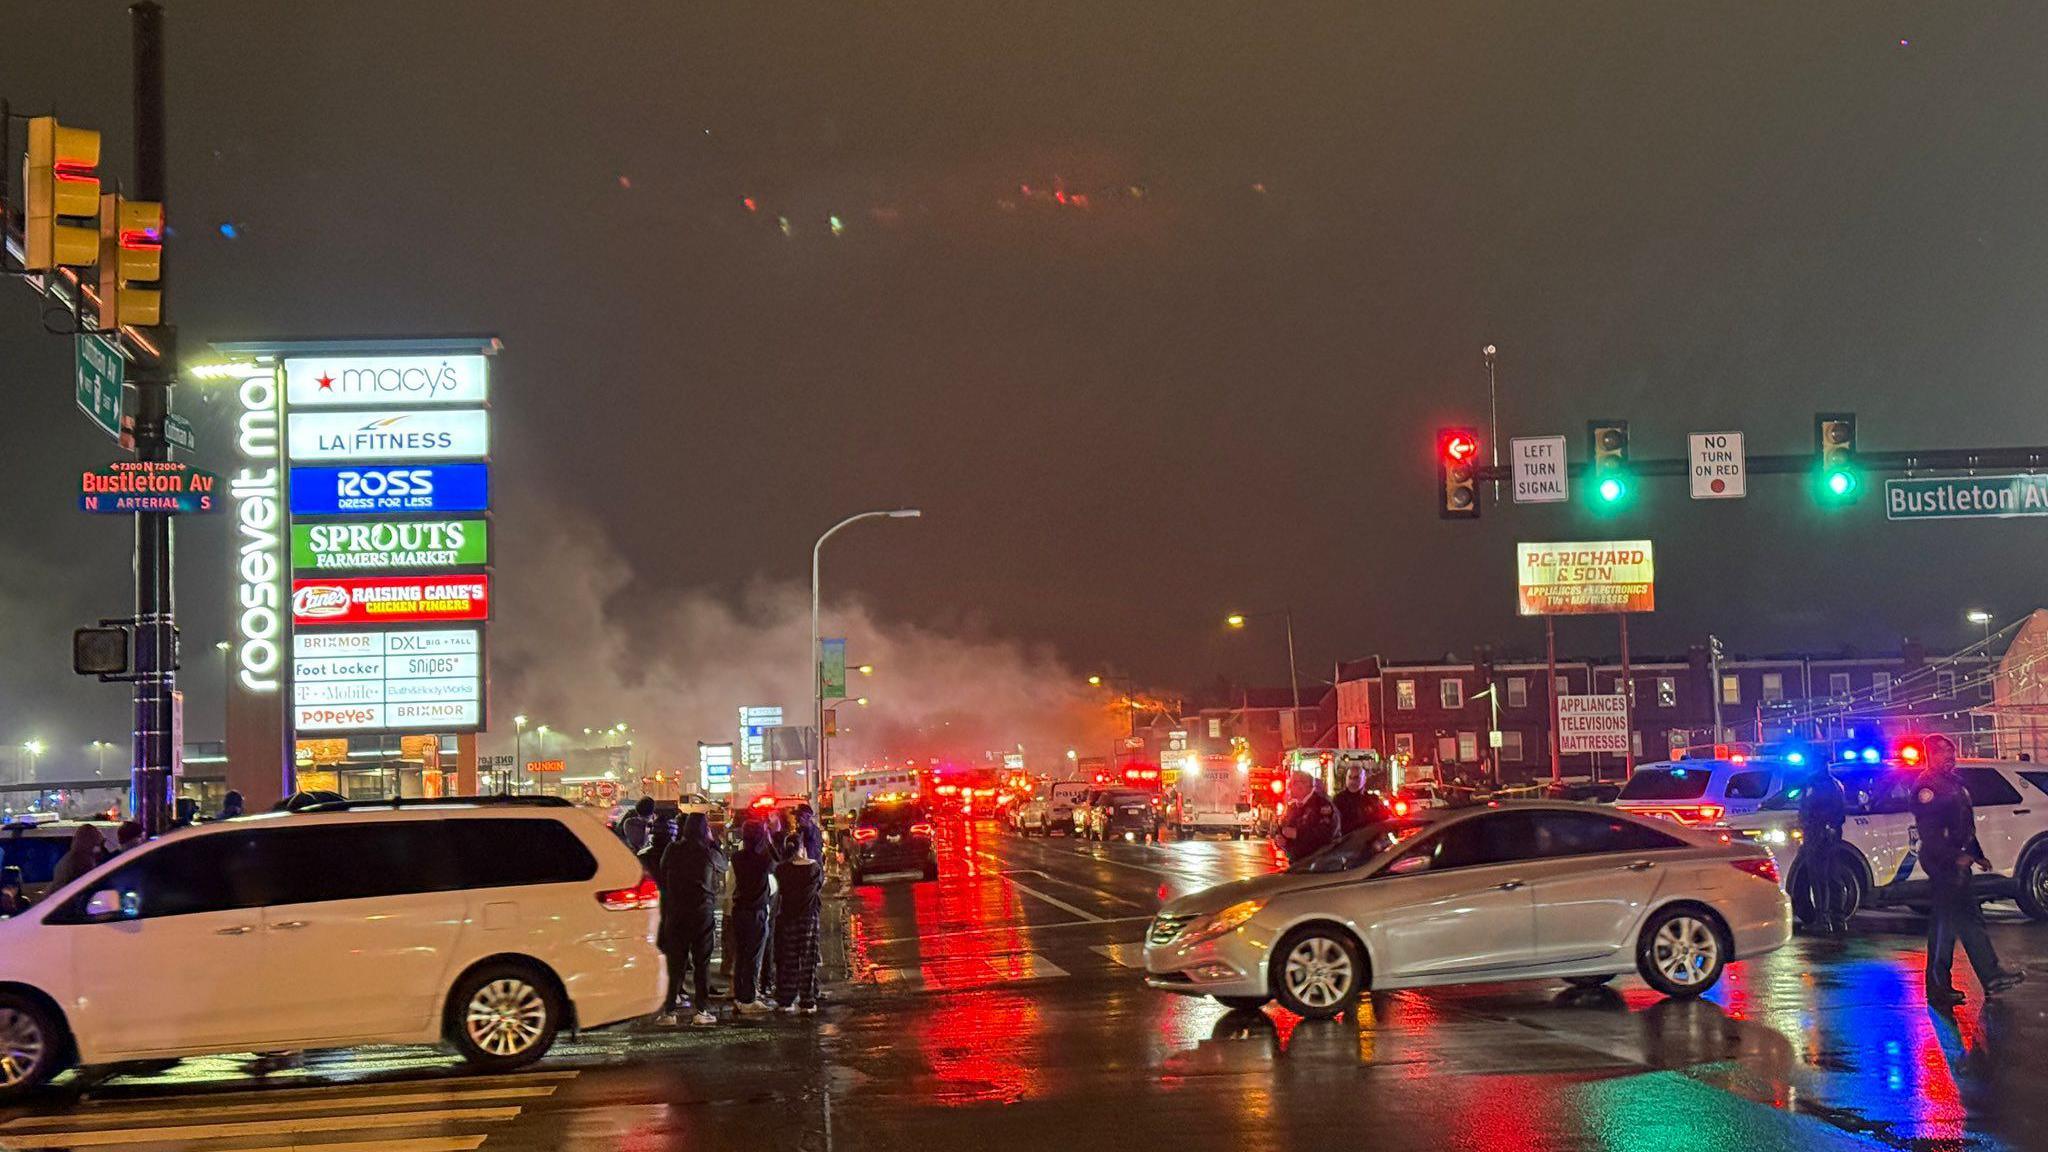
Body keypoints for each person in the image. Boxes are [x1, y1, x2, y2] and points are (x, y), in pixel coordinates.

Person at [1912, 734, 2025, 1006]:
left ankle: (1988, 976)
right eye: (1943, 753)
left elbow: (1965, 825)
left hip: (1959, 862)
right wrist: (1956, 857)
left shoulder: (1954, 784)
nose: (1950, 758)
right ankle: (1944, 985)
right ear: (1930, 755)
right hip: (1942, 863)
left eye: (1952, 752)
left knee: (1965, 920)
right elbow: (1931, 834)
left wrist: (1977, 855)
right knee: (1947, 924)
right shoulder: (1927, 787)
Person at [656, 812, 725, 1026]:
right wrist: (714, 842)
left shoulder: (673, 849)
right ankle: (701, 1010)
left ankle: (668, 1011)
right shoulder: (708, 852)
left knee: (675, 962)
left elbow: (662, 870)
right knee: (701, 962)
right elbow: (723, 865)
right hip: (701, 912)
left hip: (676, 912)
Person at [773, 804, 825, 1014]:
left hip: (788, 915)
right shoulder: (813, 868)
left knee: (790, 957)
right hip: (808, 915)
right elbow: (818, 877)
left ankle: (786, 998)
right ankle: (808, 998)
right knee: (808, 956)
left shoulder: (782, 869)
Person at [728, 816, 777, 1013]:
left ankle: (741, 996)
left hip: (739, 911)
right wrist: (769, 837)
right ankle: (749, 998)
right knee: (754, 956)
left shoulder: (737, 858)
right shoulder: (763, 859)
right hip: (756, 912)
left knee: (741, 954)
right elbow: (777, 861)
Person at [1795, 763, 1849, 933]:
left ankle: (1822, 921)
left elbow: (1808, 810)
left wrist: (1807, 825)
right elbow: (1840, 811)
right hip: (1832, 835)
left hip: (1817, 835)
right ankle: (1838, 921)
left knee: (1819, 879)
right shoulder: (1835, 784)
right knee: (1833, 877)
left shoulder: (1815, 785)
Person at [1274, 771, 1338, 864]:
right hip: (1297, 863)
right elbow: (1283, 829)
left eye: (1292, 783)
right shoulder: (1293, 806)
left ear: (1303, 785)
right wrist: (1282, 841)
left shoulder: (1322, 805)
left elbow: (1325, 835)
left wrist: (1297, 834)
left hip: (1318, 865)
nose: (1289, 787)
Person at [1331, 766, 1388, 835]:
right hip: (1347, 842)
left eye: (1356, 778)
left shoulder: (1372, 800)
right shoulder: (1339, 800)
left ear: (1364, 779)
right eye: (1350, 777)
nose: (1352, 781)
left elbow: (1384, 819)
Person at [49, 825, 106, 891]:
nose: (99, 848)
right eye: (97, 844)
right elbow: (89, 885)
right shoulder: (80, 860)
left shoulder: (73, 856)